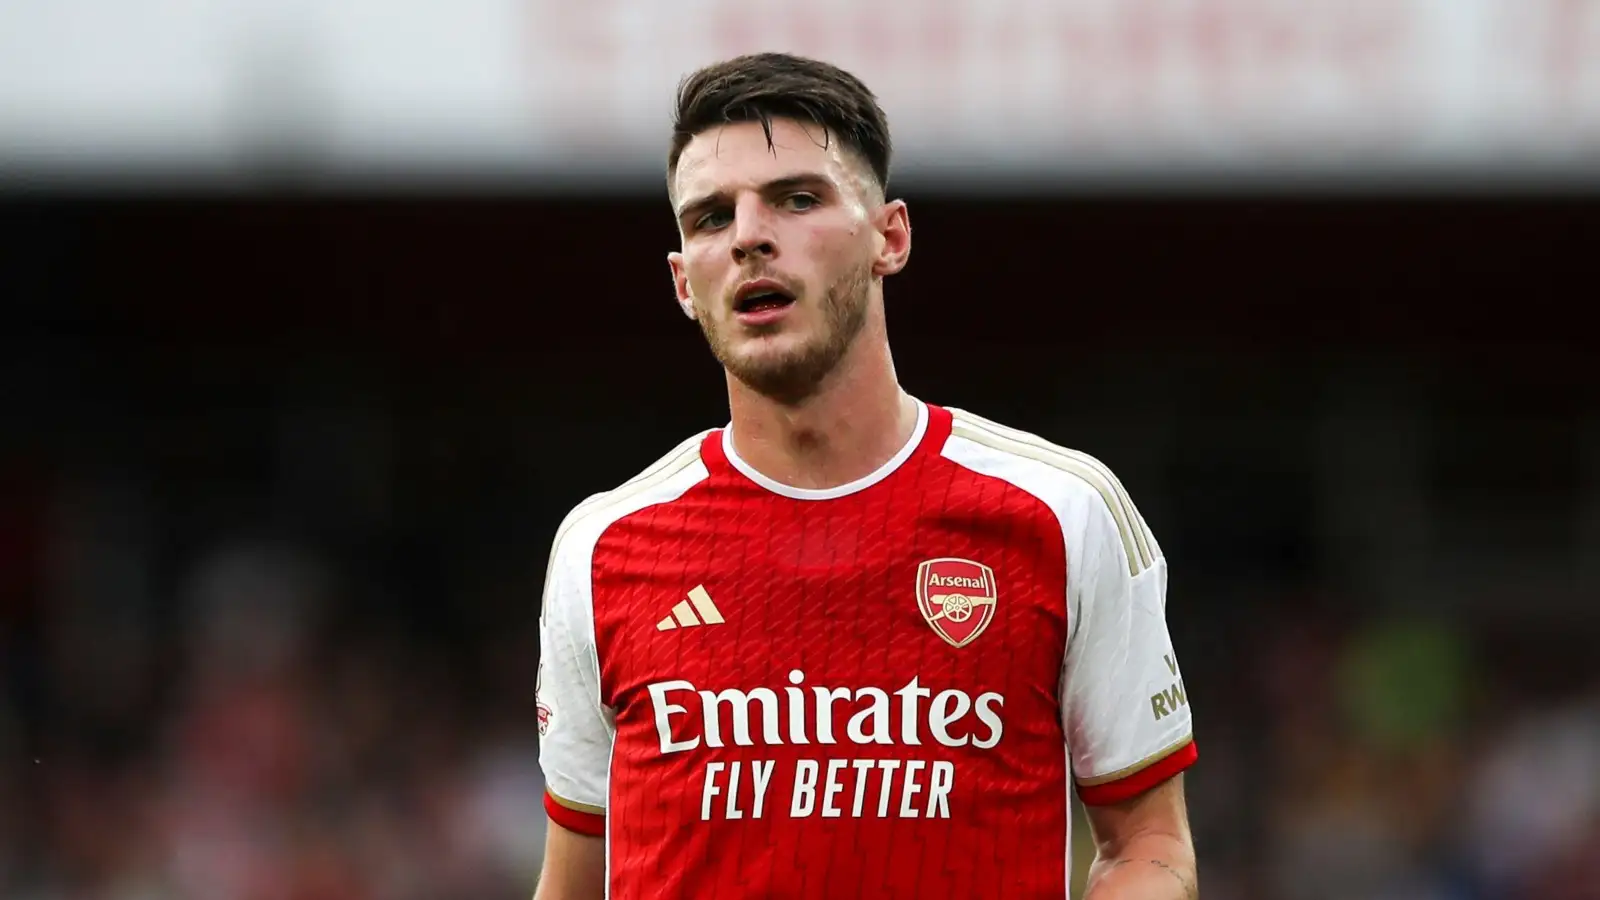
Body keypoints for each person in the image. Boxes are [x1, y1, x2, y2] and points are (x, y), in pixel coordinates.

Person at [533, 52, 1198, 899]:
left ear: (891, 237)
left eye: (798, 199)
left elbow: (1149, 843)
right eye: (709, 217)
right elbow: (574, 881)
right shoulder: (602, 546)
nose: (748, 236)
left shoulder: (1062, 513)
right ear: (682, 284)